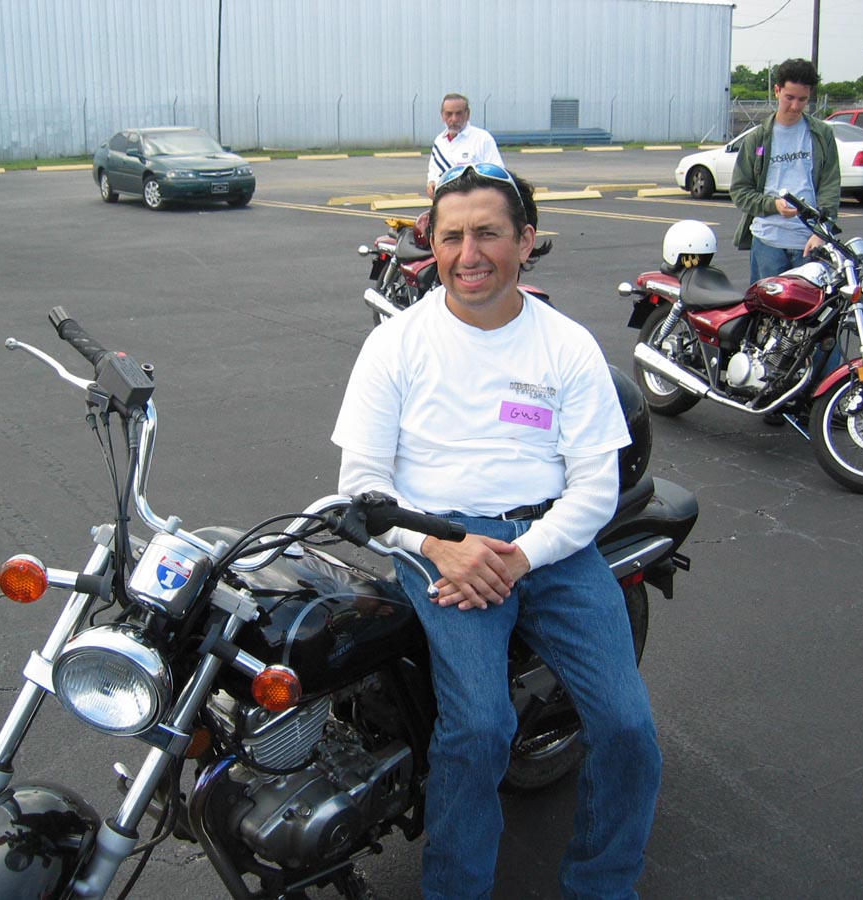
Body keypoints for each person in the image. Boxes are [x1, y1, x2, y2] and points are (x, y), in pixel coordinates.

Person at [331, 163, 662, 900]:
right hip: (441, 542)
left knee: (628, 728)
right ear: (431, 245)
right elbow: (362, 484)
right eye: (451, 236)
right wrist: (435, 545)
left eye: (487, 233)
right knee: (478, 730)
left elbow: (594, 489)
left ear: (526, 241)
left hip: (552, 543)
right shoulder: (396, 344)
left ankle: (604, 885)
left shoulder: (566, 345)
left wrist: (521, 558)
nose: (468, 253)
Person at [731, 58, 840, 284]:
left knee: (810, 306)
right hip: (767, 243)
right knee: (765, 305)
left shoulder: (822, 135)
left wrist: (821, 232)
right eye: (789, 97)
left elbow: (830, 186)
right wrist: (773, 205)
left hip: (809, 244)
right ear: (777, 90)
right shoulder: (757, 138)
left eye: (803, 99)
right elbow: (740, 191)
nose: (795, 106)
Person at [426, 93, 505, 199]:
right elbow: (434, 172)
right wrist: (431, 182)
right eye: (449, 114)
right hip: (445, 202)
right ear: (442, 115)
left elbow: (497, 175)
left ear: (467, 114)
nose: (454, 119)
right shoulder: (439, 141)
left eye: (459, 113)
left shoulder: (482, 139)